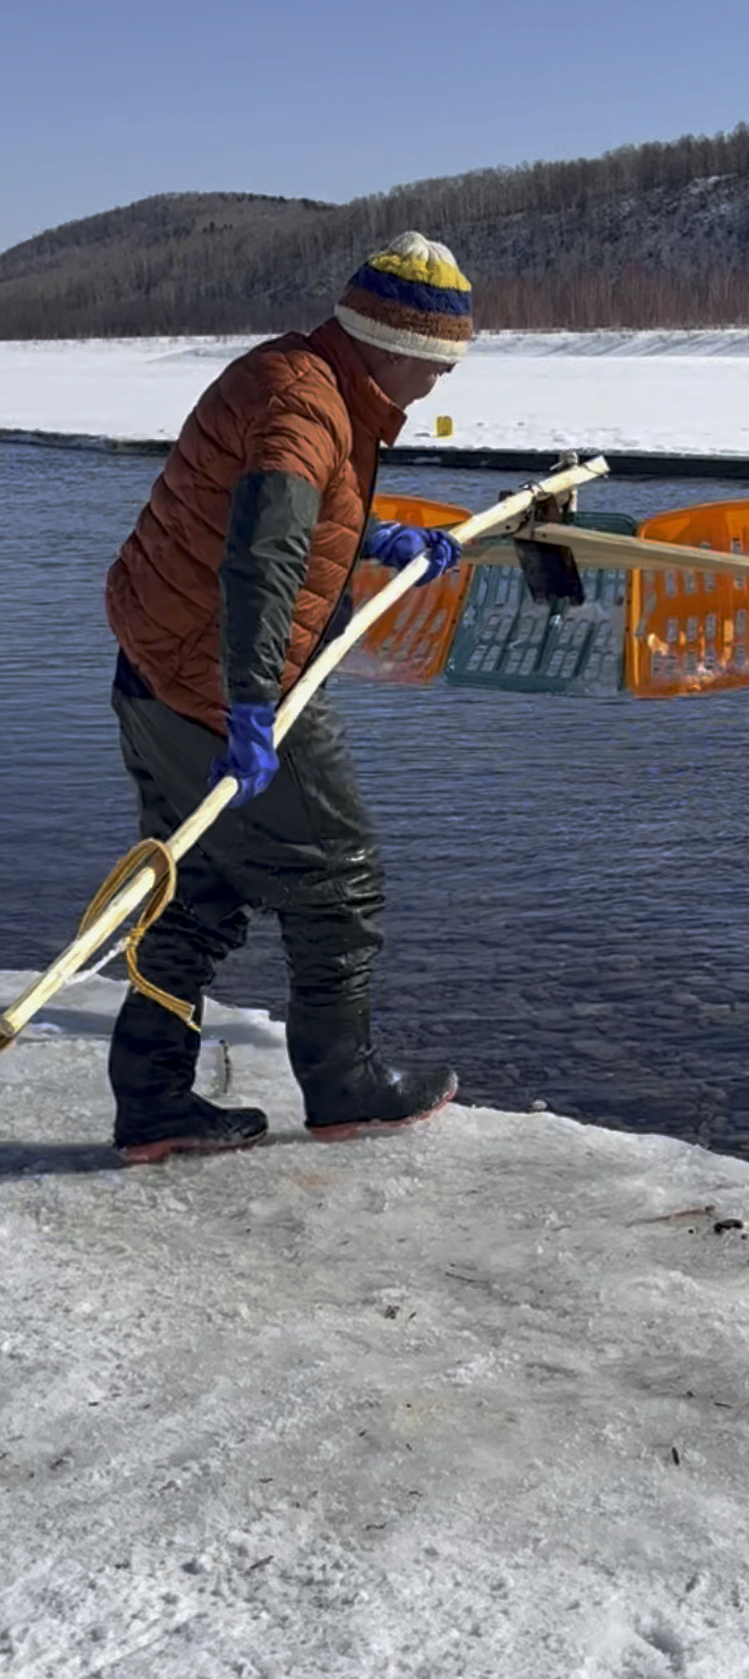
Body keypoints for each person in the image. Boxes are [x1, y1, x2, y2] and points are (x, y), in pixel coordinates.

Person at [103, 231, 472, 1164]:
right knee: (341, 873)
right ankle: (346, 1088)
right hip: (210, 681)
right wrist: (250, 706)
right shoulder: (307, 410)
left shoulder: (297, 376)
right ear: (399, 349)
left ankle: (153, 1105)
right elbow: (262, 558)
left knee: (195, 887)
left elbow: (278, 515)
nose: (440, 385)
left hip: (151, 665)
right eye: (438, 365)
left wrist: (371, 539)